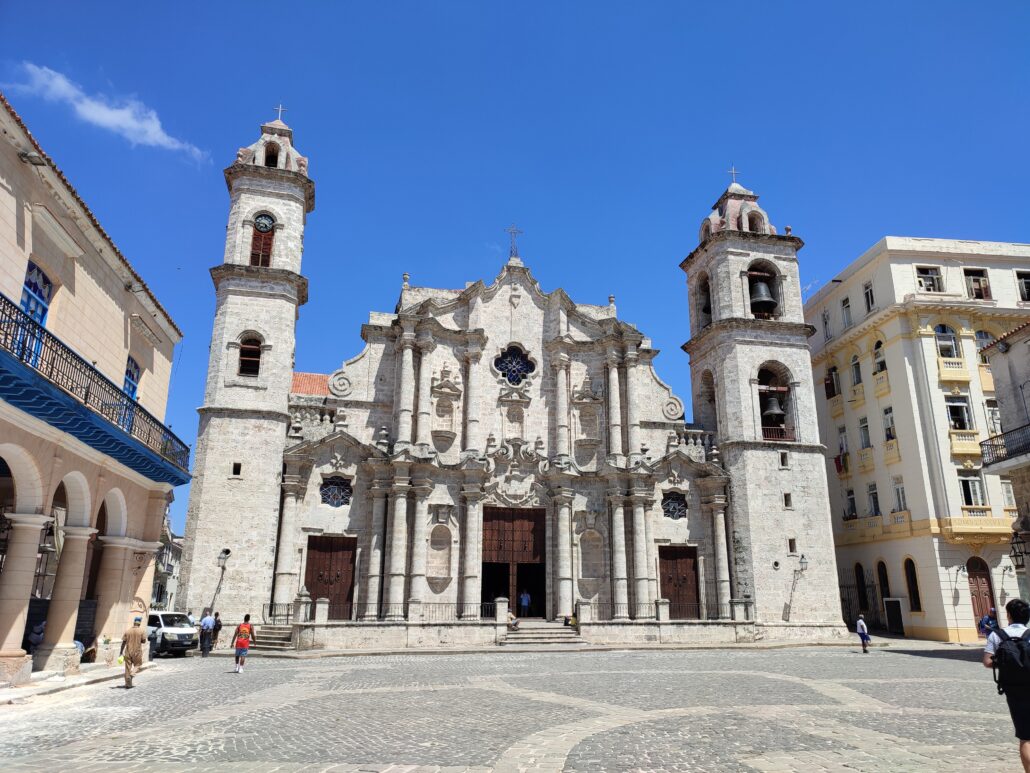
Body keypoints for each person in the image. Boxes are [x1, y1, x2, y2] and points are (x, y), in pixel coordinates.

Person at [984, 598, 1030, 772]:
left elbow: (988, 662)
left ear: (1009, 615)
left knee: (1026, 737)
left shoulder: (997, 635)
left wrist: (1007, 662)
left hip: (1014, 689)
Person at [119, 616, 148, 688]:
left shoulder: (128, 631)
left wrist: (120, 652)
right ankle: (132, 673)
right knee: (138, 665)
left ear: (134, 622)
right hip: (137, 651)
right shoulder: (142, 631)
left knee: (127, 668)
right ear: (139, 623)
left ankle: (128, 684)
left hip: (128, 651)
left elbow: (123, 642)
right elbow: (144, 641)